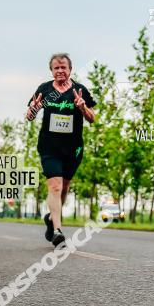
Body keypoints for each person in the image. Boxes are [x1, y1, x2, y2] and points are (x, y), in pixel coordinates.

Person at [25, 53, 96, 247]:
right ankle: (57, 230)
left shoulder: (79, 90)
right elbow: (29, 116)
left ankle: (51, 219)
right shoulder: (45, 90)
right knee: (54, 186)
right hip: (49, 146)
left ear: (70, 69)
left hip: (73, 148)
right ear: (51, 70)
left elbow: (92, 118)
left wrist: (82, 108)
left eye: (63, 67)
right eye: (56, 68)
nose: (60, 71)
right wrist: (33, 109)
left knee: (64, 187)